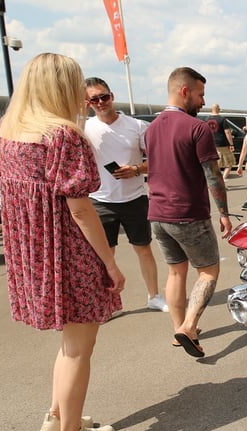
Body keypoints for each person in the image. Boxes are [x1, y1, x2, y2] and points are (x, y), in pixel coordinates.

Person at [0, 52, 123, 431]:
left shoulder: (7, 133)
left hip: (32, 253)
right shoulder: (62, 137)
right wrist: (110, 265)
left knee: (70, 344)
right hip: (68, 252)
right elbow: (81, 210)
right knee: (80, 347)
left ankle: (56, 418)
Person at [144, 67, 233, 358]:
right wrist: (224, 212)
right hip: (188, 213)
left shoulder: (152, 128)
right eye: (200, 94)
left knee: (175, 272)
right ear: (185, 91)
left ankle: (178, 328)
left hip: (158, 214)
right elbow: (213, 175)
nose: (202, 101)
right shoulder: (197, 129)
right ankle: (189, 326)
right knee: (208, 271)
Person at [84, 77, 168, 313]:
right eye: (94, 99)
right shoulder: (84, 128)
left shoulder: (137, 126)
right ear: (87, 102)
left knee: (143, 248)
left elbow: (158, 160)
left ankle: (154, 296)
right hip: (100, 200)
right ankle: (107, 304)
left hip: (134, 198)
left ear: (112, 96)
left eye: (104, 96)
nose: (100, 102)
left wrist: (136, 169)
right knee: (105, 255)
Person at [205, 103, 236, 180]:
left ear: (211, 109)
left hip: (210, 144)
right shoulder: (222, 119)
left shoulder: (206, 119)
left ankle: (216, 182)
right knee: (229, 163)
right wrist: (231, 144)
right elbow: (227, 132)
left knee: (215, 164)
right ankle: (223, 180)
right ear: (218, 109)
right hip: (222, 145)